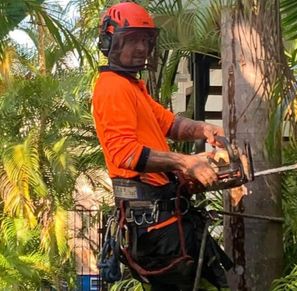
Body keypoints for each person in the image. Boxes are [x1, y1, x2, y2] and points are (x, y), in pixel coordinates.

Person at [92, 2, 231, 290]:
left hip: (169, 221)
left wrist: (205, 129)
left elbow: (170, 124)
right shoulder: (111, 87)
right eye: (132, 40)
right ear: (110, 41)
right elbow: (125, 153)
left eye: (145, 40)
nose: (141, 47)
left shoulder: (132, 88)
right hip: (154, 226)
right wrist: (185, 162)